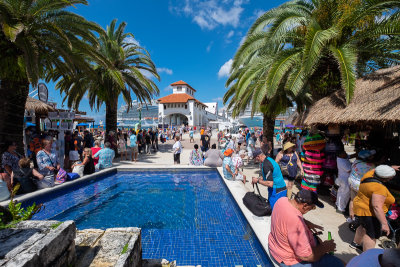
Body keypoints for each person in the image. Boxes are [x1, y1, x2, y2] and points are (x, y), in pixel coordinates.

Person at [269, 190, 343, 267]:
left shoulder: (282, 200)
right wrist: (325, 247)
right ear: (305, 205)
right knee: (339, 264)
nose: (311, 210)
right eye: (312, 208)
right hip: (289, 260)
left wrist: (305, 222)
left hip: (275, 248)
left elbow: (286, 215)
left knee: (317, 241)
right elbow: (306, 256)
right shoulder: (296, 222)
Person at [351, 165, 397, 251]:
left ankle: (355, 243)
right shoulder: (379, 188)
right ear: (387, 178)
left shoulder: (367, 176)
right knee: (371, 235)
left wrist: (389, 168)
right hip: (371, 214)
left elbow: (376, 169)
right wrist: (384, 223)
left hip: (360, 208)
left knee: (362, 226)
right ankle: (367, 256)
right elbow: (376, 207)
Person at [252, 144, 287, 209]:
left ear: (258, 156)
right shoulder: (267, 159)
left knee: (275, 211)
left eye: (255, 158)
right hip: (278, 189)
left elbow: (270, 183)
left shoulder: (266, 165)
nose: (255, 160)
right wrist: (259, 178)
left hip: (277, 190)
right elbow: (267, 175)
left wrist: (257, 181)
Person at [348, 149, 376, 221]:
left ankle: (351, 218)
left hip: (352, 183)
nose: (372, 157)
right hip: (360, 186)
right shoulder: (371, 166)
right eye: (371, 156)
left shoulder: (356, 161)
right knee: (363, 202)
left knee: (352, 200)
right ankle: (360, 218)